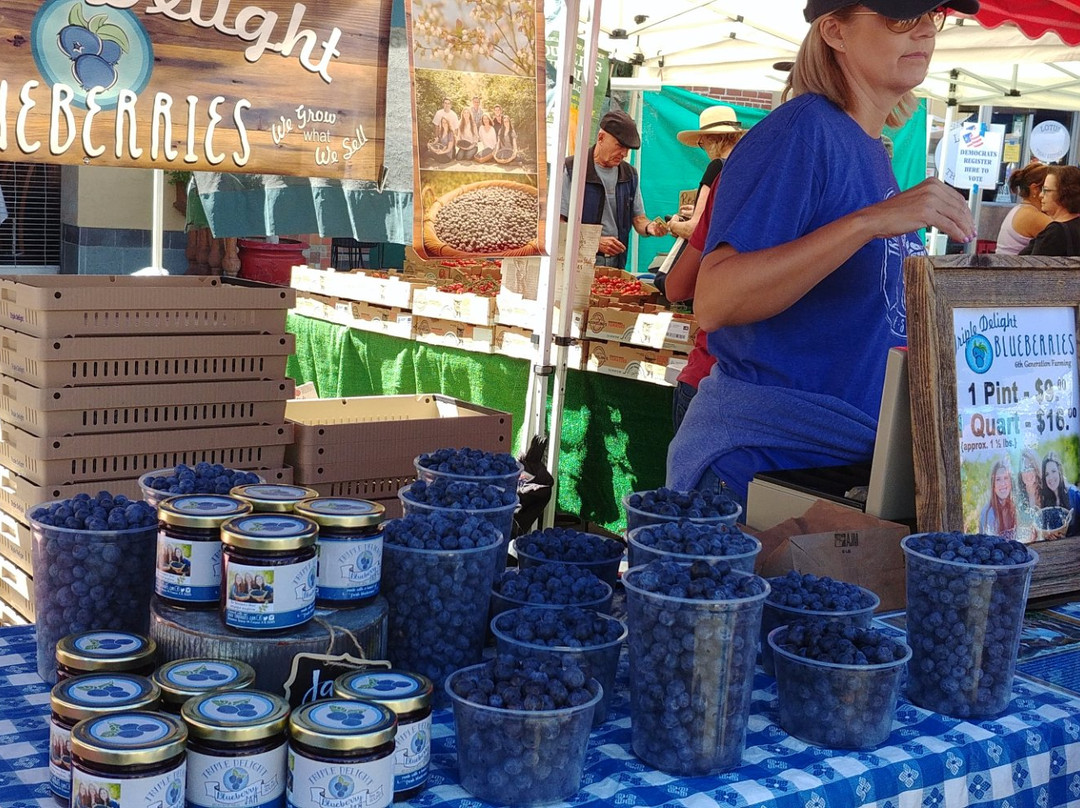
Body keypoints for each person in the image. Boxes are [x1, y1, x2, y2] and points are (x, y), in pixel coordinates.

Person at [666, 0, 978, 501]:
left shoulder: (868, 147)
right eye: (901, 17)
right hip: (765, 471)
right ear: (834, 31)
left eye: (932, 16)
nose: (923, 30)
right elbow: (716, 299)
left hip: (834, 470)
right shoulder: (803, 131)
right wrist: (870, 222)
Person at [661, 106, 746, 431]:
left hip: (711, 372)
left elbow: (677, 288)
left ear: (712, 138)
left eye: (702, 142)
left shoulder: (721, 173)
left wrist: (677, 224)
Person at [560, 109, 669, 268]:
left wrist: (650, 227)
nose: (624, 153)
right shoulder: (571, 168)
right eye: (619, 146)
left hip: (616, 263)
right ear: (601, 137)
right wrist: (594, 242)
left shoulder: (629, 174)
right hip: (576, 263)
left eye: (627, 148)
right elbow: (559, 224)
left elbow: (639, 219)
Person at [1020, 165, 1080, 256]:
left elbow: (1032, 266)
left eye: (1046, 190)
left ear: (1063, 194)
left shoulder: (1055, 233)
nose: (1040, 195)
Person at [995, 160, 1050, 254]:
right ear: (1035, 189)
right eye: (1050, 188)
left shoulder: (1021, 209)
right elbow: (1065, 236)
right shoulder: (1032, 216)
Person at [979, 458, 1017, 539]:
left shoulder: (1014, 507)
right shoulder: (988, 513)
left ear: (1011, 481)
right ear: (993, 485)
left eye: (1006, 478)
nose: (1003, 483)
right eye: (998, 479)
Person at [1016, 448, 1043, 539]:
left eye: (1031, 468)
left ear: (1036, 470)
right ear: (1020, 473)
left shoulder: (1046, 493)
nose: (1028, 473)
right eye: (1024, 468)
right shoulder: (1017, 498)